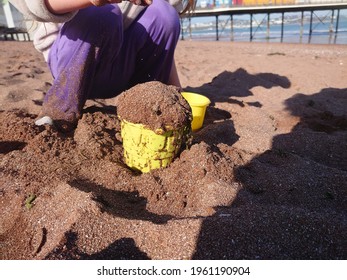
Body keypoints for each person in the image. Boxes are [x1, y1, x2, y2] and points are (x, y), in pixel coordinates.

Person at [8, 0, 194, 131]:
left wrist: (177, 93)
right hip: (73, 63)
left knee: (164, 12)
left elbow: (161, 46)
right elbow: (34, 5)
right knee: (104, 13)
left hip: (120, 72)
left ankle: (148, 111)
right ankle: (58, 114)